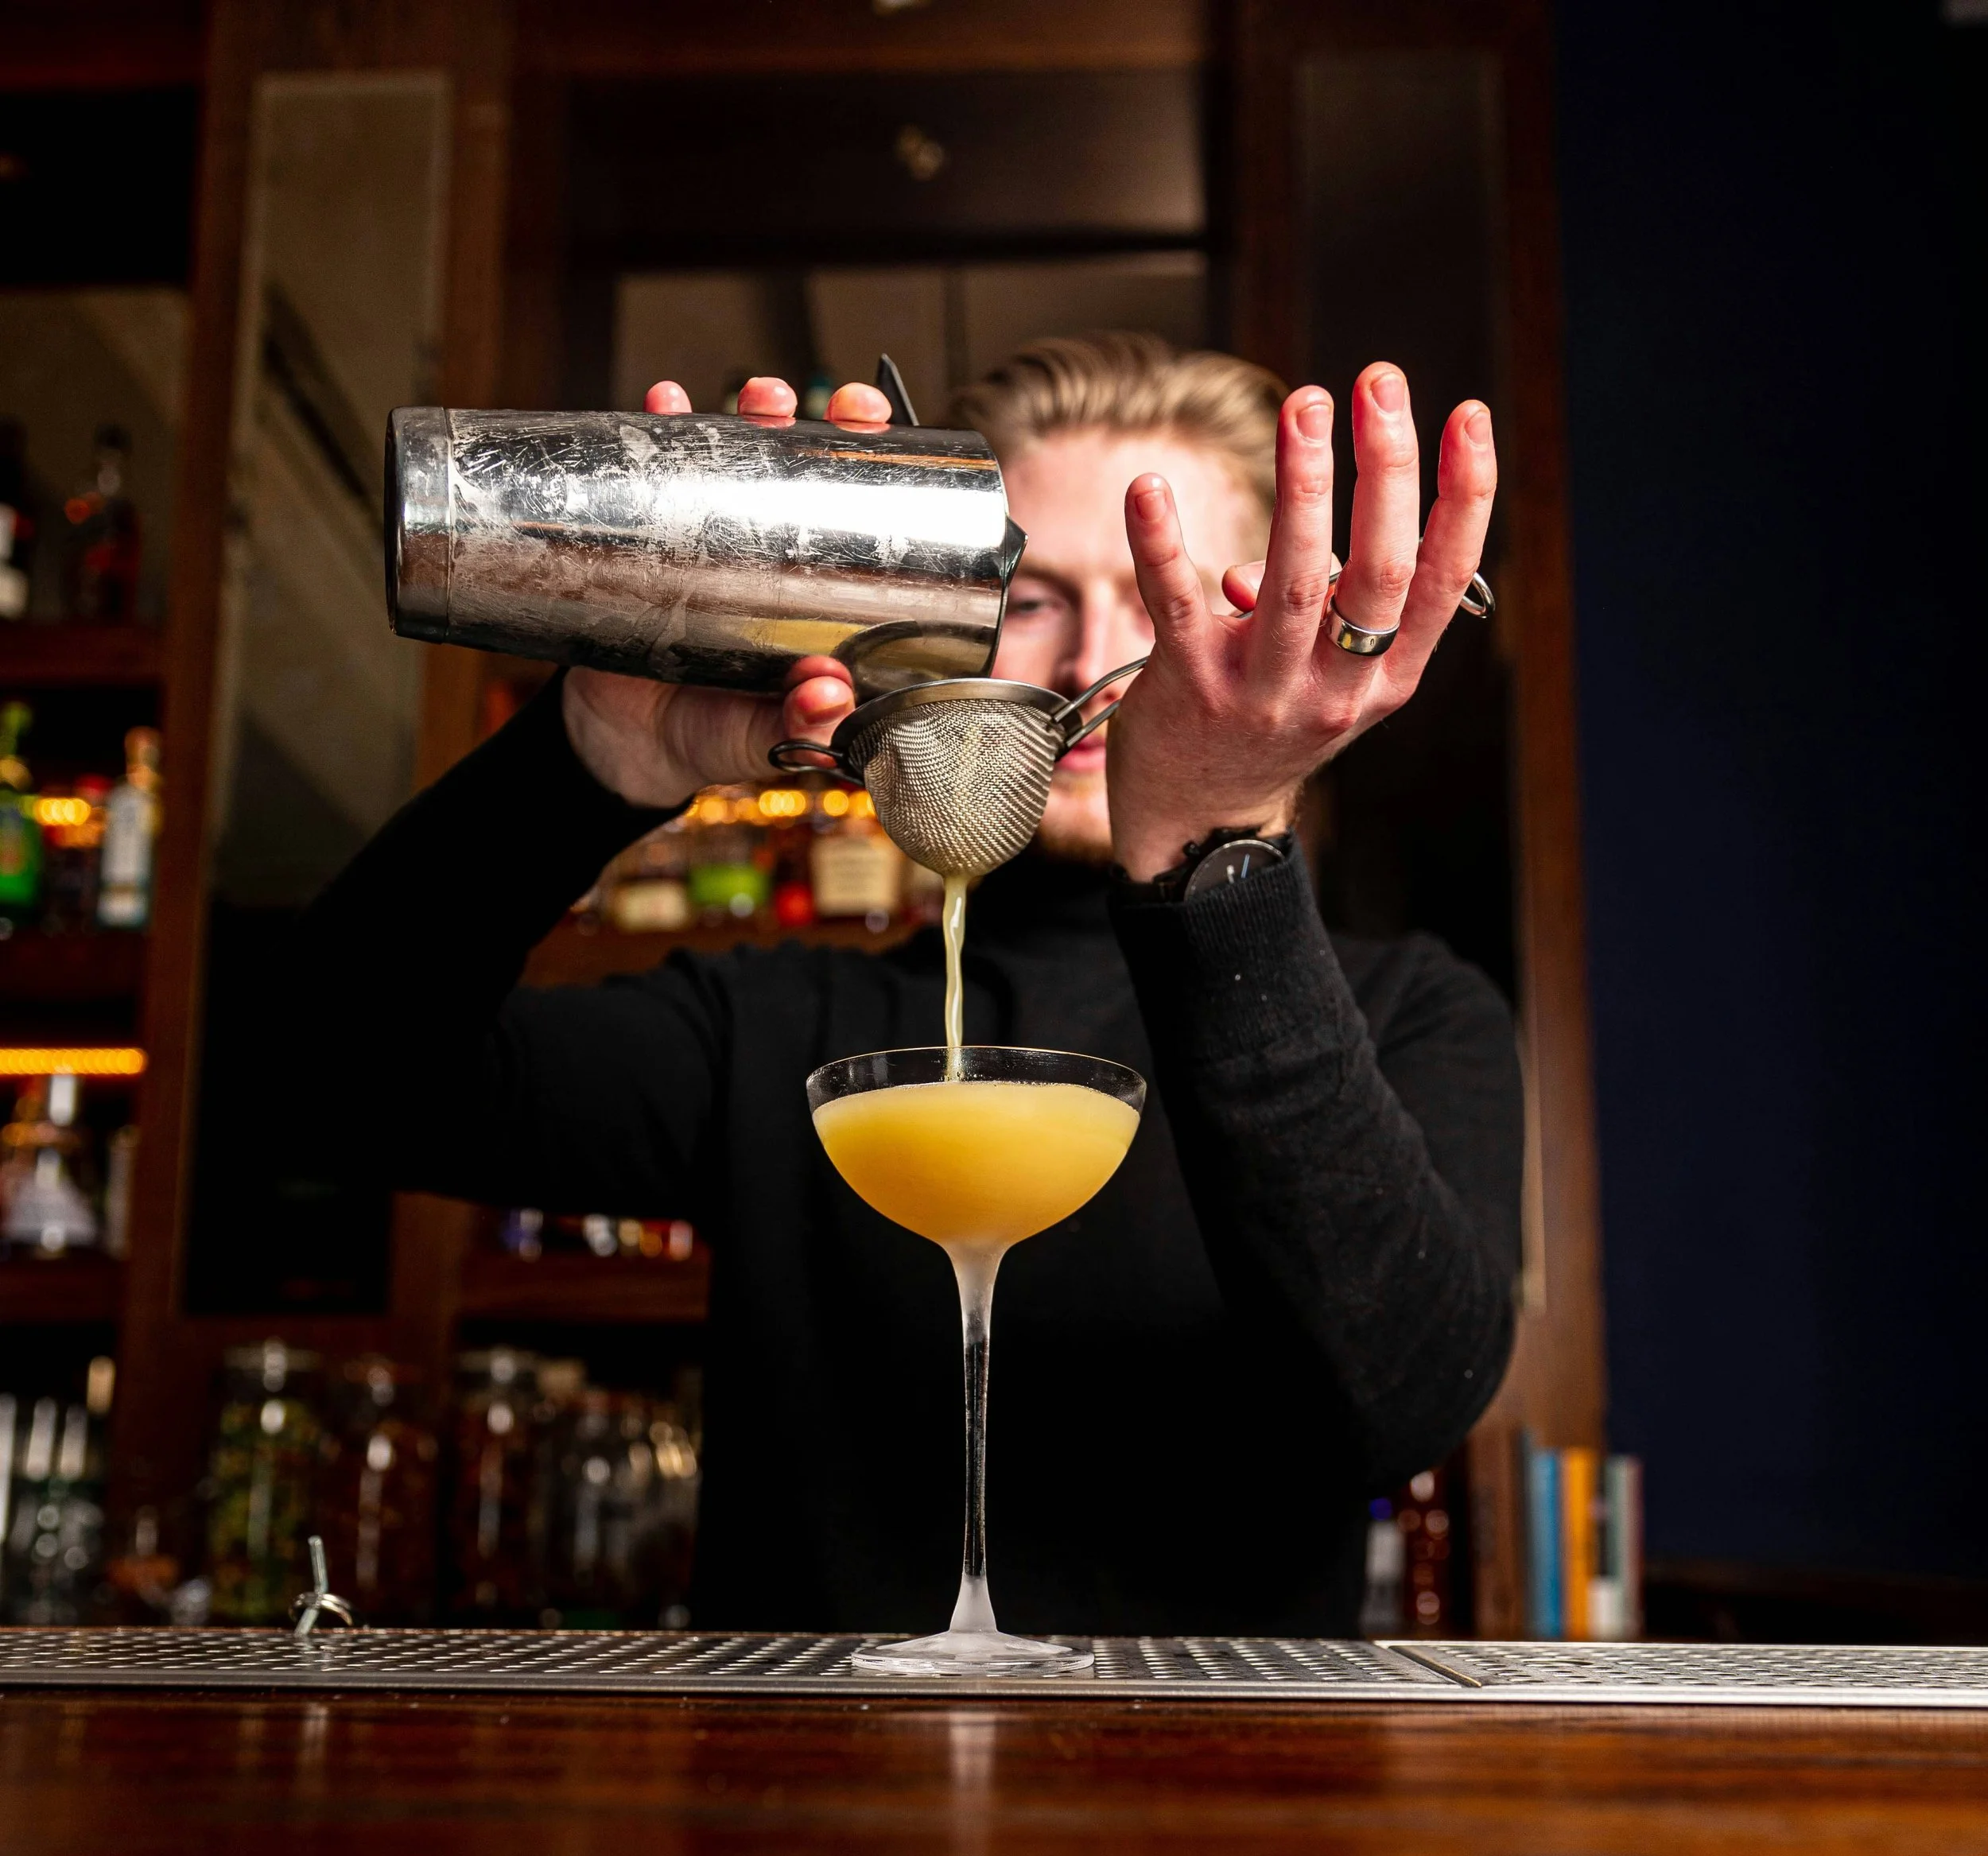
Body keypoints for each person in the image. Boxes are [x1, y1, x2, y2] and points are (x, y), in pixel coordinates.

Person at [297, 334, 1519, 1636]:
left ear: (1280, 627)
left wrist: (1214, 858)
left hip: (1230, 1813)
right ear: (937, 632)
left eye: (1165, 599)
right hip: (801, 1811)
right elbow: (330, 1076)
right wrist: (584, 763)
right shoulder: (782, 1032)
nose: (1090, 660)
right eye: (1032, 596)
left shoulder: (1411, 1014)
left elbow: (1393, 1407)